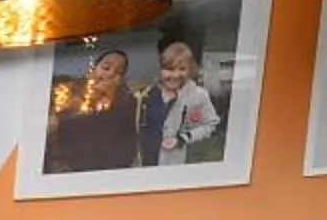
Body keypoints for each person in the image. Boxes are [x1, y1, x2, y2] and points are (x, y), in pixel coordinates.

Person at [44, 46, 141, 175]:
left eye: (119, 73)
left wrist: (109, 95)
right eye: (106, 68)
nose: (111, 74)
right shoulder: (69, 92)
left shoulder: (126, 102)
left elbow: (124, 146)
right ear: (93, 70)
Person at [141, 37, 222, 166]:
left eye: (182, 69)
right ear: (161, 70)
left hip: (176, 164)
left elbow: (210, 124)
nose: (175, 75)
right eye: (170, 69)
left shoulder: (198, 96)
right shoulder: (147, 94)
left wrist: (183, 139)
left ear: (190, 70)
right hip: (146, 163)